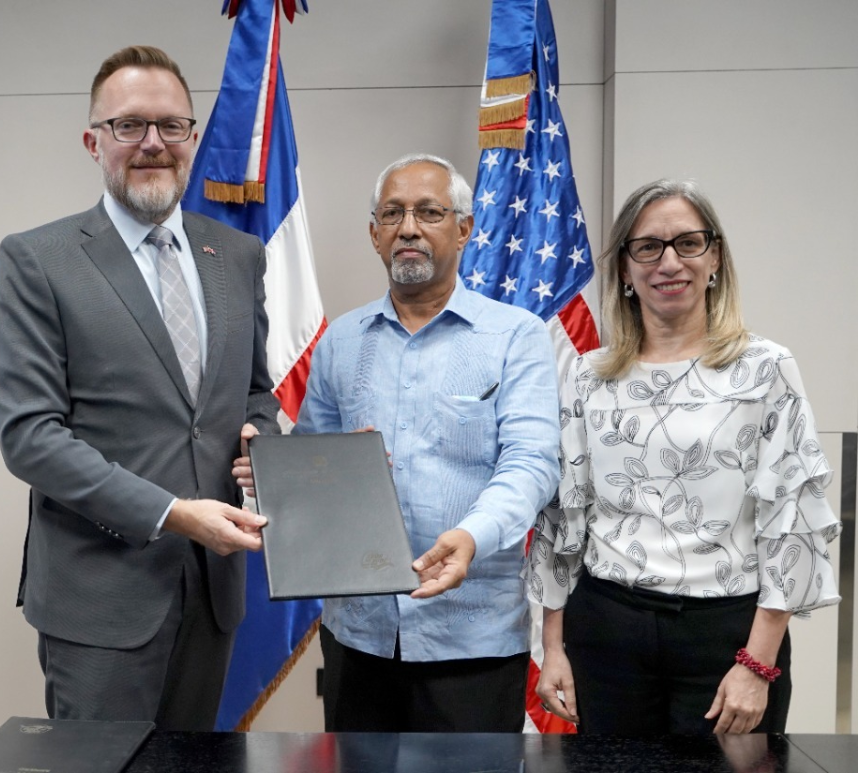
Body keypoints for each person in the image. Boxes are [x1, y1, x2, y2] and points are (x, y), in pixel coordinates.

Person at [0, 45, 279, 731]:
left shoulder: (238, 255)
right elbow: (30, 436)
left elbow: (255, 394)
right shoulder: (38, 260)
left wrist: (261, 441)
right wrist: (172, 512)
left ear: (192, 138)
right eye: (129, 125)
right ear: (94, 142)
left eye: (171, 125)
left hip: (212, 593)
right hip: (101, 599)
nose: (153, 143)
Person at [235, 153, 560, 732]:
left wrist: (471, 536)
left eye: (429, 212)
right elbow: (314, 461)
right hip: (359, 637)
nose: (408, 227)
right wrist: (275, 475)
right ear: (375, 235)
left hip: (473, 639)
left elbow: (531, 463)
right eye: (392, 214)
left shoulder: (515, 337)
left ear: (464, 229)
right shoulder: (341, 342)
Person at [529, 179, 840, 735]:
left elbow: (790, 523)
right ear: (625, 269)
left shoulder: (765, 368)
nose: (669, 262)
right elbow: (562, 516)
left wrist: (758, 665)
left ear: (715, 257)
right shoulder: (588, 375)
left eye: (688, 243)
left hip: (727, 638)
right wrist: (553, 646)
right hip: (607, 632)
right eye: (648, 247)